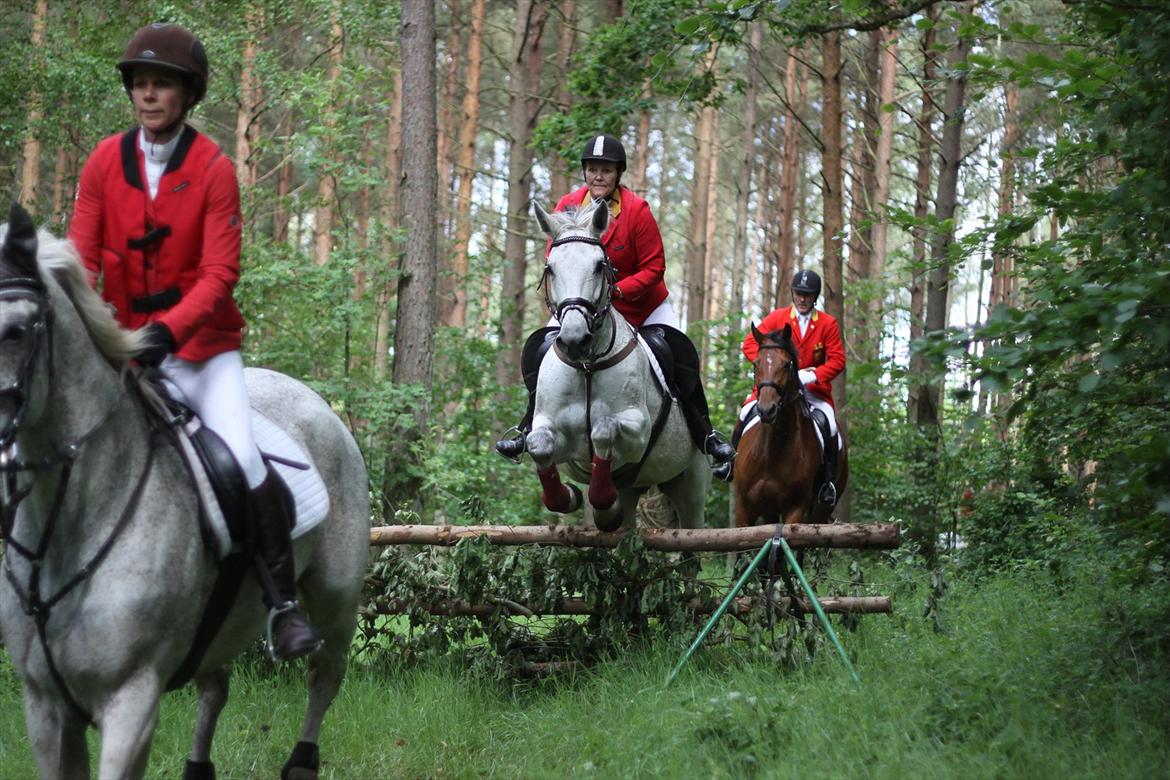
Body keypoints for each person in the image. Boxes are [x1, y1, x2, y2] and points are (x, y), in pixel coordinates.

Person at [68, 23, 320, 662]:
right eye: (142, 84)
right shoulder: (103, 163)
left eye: (163, 85)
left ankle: (283, 604)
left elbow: (220, 274)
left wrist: (165, 332)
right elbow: (79, 260)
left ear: (187, 95)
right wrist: (101, 330)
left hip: (204, 352)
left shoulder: (212, 169)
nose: (149, 96)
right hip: (122, 350)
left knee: (242, 453)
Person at [495, 133, 734, 468]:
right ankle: (526, 426)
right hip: (582, 306)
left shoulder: (637, 211)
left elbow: (655, 266)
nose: (598, 176)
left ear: (618, 173)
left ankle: (705, 433)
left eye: (605, 170)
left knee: (676, 350)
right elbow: (555, 257)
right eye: (592, 169)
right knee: (541, 347)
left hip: (639, 304)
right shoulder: (567, 206)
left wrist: (618, 290)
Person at [716, 269, 846, 505]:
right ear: (793, 294)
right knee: (745, 412)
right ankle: (729, 465)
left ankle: (827, 483)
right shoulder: (778, 317)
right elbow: (749, 344)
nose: (802, 299)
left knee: (830, 426)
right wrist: (770, 368)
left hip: (813, 391)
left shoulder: (827, 323)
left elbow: (838, 360)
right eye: (798, 293)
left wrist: (813, 375)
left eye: (807, 294)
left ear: (814, 296)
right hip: (775, 386)